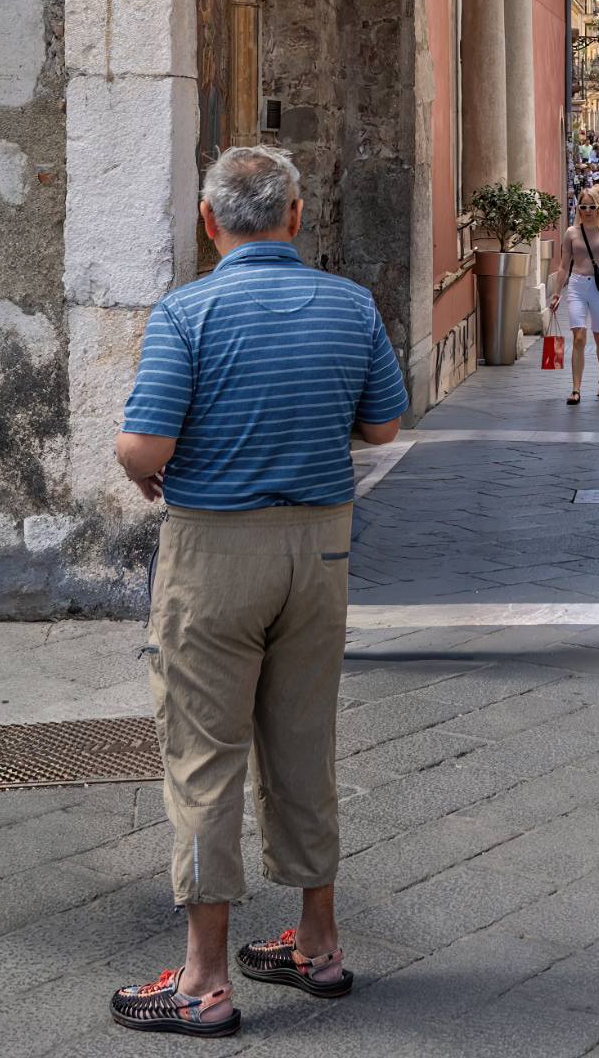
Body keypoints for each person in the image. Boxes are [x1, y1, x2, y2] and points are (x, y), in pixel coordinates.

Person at [110, 146, 406, 1036]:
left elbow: (144, 448)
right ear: (296, 214)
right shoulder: (349, 305)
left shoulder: (188, 311)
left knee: (204, 756)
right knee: (305, 744)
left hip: (216, 554)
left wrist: (140, 467)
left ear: (210, 223)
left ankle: (203, 979)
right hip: (318, 551)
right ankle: (318, 945)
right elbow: (382, 422)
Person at [550, 185, 599, 404]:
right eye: (584, 206)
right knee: (579, 337)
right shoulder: (571, 233)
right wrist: (556, 293)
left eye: (592, 206)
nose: (588, 210)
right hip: (577, 286)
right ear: (578, 208)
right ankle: (576, 388)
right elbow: (563, 266)